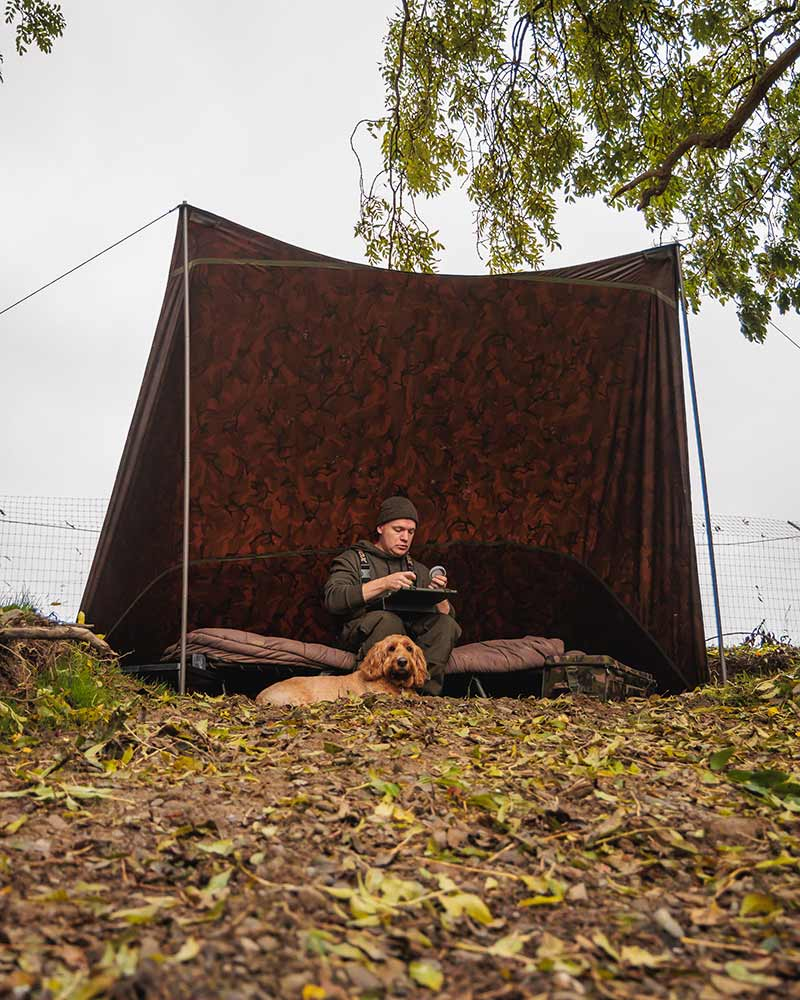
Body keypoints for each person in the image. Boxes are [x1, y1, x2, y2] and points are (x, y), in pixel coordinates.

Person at [323, 496, 461, 695]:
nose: (405, 538)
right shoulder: (352, 560)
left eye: (410, 532)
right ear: (380, 528)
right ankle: (376, 694)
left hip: (406, 641)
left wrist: (439, 596)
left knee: (446, 625)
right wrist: (384, 583)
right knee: (388, 620)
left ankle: (423, 696)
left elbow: (449, 618)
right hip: (362, 635)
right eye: (398, 530)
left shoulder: (416, 568)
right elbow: (333, 599)